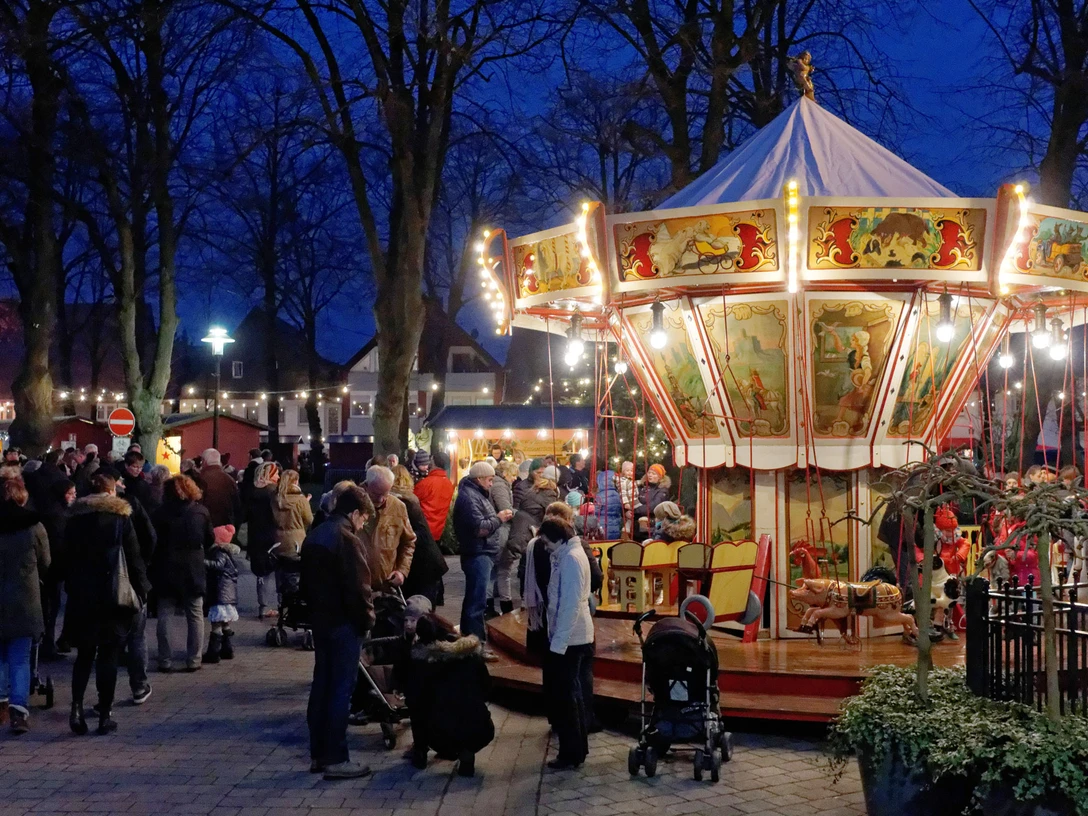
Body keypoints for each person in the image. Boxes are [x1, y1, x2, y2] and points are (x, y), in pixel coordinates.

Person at [64, 472, 150, 735]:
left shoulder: (75, 520)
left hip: (82, 595)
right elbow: (134, 557)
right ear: (112, 491)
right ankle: (105, 712)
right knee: (109, 654)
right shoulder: (120, 519)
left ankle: (76, 708)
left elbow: (65, 556)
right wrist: (142, 589)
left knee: (84, 655)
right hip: (113, 594)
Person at [301, 485, 376, 780]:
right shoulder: (346, 540)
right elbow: (359, 589)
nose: (363, 524)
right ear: (355, 513)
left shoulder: (316, 534)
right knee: (340, 690)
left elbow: (305, 585)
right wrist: (367, 620)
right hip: (344, 623)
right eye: (364, 518)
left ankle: (319, 754)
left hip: (321, 620)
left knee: (322, 685)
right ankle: (336, 756)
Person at [404, 599, 495, 777]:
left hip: (439, 733)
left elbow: (414, 700)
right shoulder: (470, 654)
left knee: (417, 706)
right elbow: (486, 688)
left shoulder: (421, 661)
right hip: (481, 729)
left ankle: (421, 751)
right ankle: (466, 753)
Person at [542, 517, 594, 769]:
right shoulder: (567, 554)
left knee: (567, 697)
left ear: (557, 538)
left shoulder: (571, 558)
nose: (544, 546)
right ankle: (576, 749)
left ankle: (571, 752)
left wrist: (558, 643)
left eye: (546, 541)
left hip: (571, 638)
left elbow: (569, 605)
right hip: (571, 636)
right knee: (571, 694)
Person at [0, 476, 50, 734]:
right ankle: (19, 711)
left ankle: (1, 702)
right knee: (20, 658)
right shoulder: (34, 527)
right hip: (24, 599)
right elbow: (46, 561)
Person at [151, 475, 213, 673]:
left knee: (165, 614)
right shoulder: (200, 512)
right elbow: (209, 539)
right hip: (193, 566)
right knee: (195, 614)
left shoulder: (159, 513)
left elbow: (153, 540)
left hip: (166, 565)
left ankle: (165, 659)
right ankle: (194, 659)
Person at [452, 462, 512, 651]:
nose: (492, 483)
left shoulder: (476, 494)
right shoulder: (470, 497)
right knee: (476, 602)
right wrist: (499, 519)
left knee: (475, 600)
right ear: (479, 479)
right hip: (478, 552)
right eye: (489, 479)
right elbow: (479, 528)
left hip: (482, 552)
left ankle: (469, 641)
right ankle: (476, 643)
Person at [392, 465, 448, 604]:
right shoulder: (412, 498)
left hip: (421, 563)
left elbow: (415, 534)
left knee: (418, 609)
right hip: (432, 542)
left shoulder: (403, 503)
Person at [363, 466, 416, 589]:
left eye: (386, 493)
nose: (381, 499)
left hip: (385, 584)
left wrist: (402, 571)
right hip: (357, 586)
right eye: (376, 494)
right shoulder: (354, 503)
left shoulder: (398, 507)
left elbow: (409, 542)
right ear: (366, 486)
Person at [40, 479, 75, 659]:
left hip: (53, 567)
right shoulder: (58, 515)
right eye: (70, 493)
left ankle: (47, 643)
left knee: (51, 607)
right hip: (54, 568)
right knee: (51, 607)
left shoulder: (54, 511)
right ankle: (47, 644)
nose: (73, 497)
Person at [246, 462, 281, 618]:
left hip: (255, 536)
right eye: (276, 474)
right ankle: (278, 605)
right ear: (269, 475)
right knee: (276, 572)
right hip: (272, 535)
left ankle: (263, 605)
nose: (279, 477)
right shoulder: (273, 493)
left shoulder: (252, 492)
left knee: (262, 573)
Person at [202, 525, 239, 664]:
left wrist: (203, 562)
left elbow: (217, 565)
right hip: (228, 595)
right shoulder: (228, 554)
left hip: (220, 594)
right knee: (225, 624)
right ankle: (227, 649)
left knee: (216, 624)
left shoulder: (219, 552)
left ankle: (214, 652)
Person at [491, 460, 518, 615]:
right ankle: (505, 604)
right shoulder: (500, 486)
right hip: (501, 531)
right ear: (506, 473)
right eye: (513, 475)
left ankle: (497, 604)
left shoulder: (498, 484)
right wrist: (520, 515)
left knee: (498, 571)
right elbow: (506, 510)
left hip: (499, 531)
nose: (515, 478)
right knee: (503, 569)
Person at [415, 450, 454, 542]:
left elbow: (412, 500)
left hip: (423, 528)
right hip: (438, 529)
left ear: (433, 463)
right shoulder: (449, 484)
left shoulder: (426, 483)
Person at [273, 469, 314, 557]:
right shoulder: (300, 499)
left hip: (278, 539)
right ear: (295, 481)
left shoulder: (275, 499)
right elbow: (309, 519)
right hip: (297, 541)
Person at [198, 448, 241, 529]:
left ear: (204, 461)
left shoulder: (200, 479)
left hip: (206, 525)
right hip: (226, 525)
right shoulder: (229, 479)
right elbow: (237, 505)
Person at [634, 464, 671, 536]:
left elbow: (653, 506)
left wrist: (635, 510)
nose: (650, 475)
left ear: (660, 477)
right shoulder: (641, 487)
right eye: (649, 473)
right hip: (637, 522)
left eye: (654, 474)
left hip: (652, 523)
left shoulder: (662, 490)